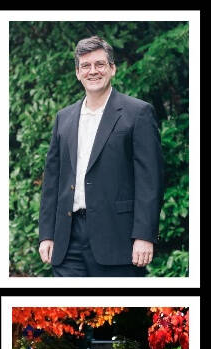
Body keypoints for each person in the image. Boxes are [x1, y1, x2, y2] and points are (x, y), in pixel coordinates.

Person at [38, 35, 164, 277]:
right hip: (68, 242)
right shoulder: (63, 118)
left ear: (112, 69)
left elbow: (151, 182)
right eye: (85, 66)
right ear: (77, 72)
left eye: (99, 64)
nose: (92, 71)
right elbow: (52, 182)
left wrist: (144, 236)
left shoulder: (138, 113)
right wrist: (47, 234)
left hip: (118, 239)